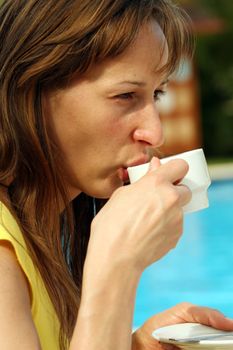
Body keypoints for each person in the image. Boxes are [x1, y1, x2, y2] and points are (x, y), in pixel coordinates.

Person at [0, 0, 233, 349]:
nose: (155, 134)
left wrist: (134, 345)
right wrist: (116, 268)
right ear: (31, 91)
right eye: (125, 95)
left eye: (156, 94)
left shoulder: (34, 238)